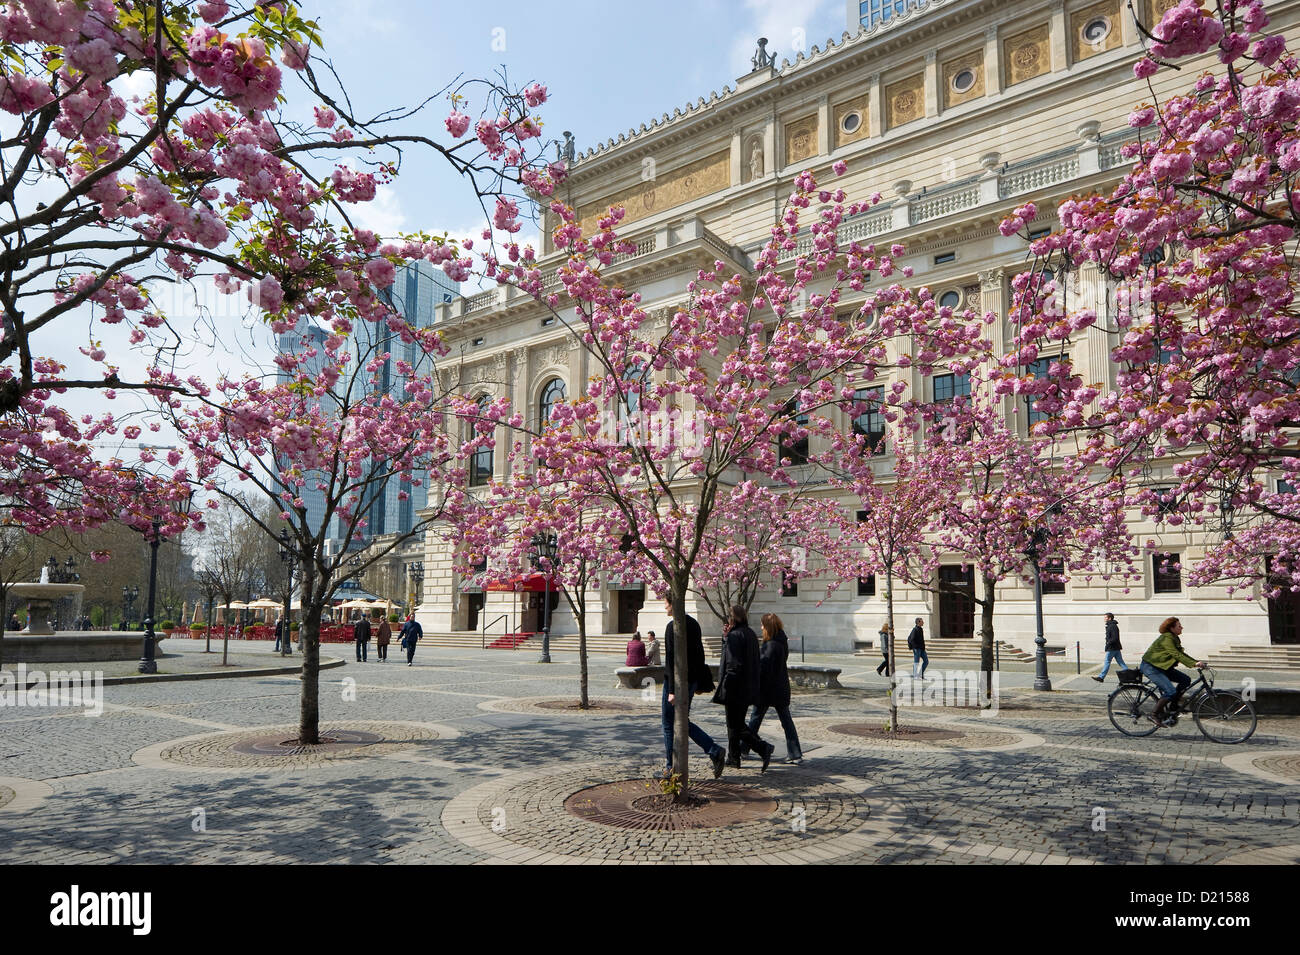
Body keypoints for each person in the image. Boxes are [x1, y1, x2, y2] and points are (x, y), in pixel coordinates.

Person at [661, 599, 726, 779]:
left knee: (668, 722)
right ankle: (713, 750)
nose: (664, 606)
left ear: (673, 603)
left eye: (666, 602)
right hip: (690, 681)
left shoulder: (672, 626)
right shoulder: (694, 624)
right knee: (681, 720)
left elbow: (671, 660)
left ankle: (670, 767)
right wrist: (696, 682)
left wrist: (672, 690)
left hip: (675, 682)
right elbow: (700, 655)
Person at [712, 604, 774, 772]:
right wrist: (725, 638)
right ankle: (734, 757)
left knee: (735, 725)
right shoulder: (750, 634)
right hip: (748, 687)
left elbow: (733, 664)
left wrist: (725, 686)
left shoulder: (735, 636)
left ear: (732, 618)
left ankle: (762, 747)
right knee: (735, 724)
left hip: (735, 688)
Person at [747, 613, 803, 763]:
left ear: (768, 627)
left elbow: (763, 669)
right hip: (780, 687)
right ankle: (795, 753)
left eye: (762, 625)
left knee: (755, 719)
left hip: (768, 689)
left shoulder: (771, 645)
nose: (761, 627)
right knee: (786, 721)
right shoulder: (781, 641)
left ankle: (743, 748)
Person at [1140, 617, 1206, 724]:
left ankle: (1173, 706)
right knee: (1170, 691)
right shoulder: (1167, 638)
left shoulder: (1174, 637)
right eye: (1179, 626)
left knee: (1185, 680)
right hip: (1151, 667)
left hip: (1162, 667)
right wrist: (1194, 664)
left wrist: (1196, 662)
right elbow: (1175, 654)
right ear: (1172, 628)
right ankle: (1153, 714)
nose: (1182, 627)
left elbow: (1181, 653)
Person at [1093, 612, 1129, 682]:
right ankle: (1129, 674)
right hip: (1115, 647)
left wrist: (1108, 642)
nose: (1104, 618)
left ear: (1109, 618)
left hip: (1112, 647)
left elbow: (1115, 637)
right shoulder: (1111, 625)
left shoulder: (1112, 626)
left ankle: (1101, 677)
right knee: (1121, 662)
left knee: (1107, 661)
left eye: (1106, 617)